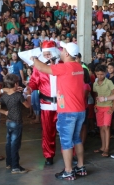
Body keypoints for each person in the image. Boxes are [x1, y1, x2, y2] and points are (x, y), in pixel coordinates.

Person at [31, 42, 86, 180]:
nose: (60, 51)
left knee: (66, 142)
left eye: (62, 50)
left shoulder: (64, 67)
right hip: (80, 110)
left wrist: (34, 59)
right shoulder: (78, 66)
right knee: (76, 139)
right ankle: (80, 166)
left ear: (67, 54)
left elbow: (41, 67)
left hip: (67, 111)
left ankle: (68, 171)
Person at [24, 41, 59, 165]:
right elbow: (34, 81)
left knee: (68, 130)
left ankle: (73, 154)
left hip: (63, 104)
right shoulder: (39, 67)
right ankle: (49, 156)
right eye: (45, 54)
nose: (47, 56)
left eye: (49, 53)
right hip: (46, 104)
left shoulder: (63, 64)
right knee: (47, 131)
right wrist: (29, 88)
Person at [0, 74, 31, 174]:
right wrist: (29, 94)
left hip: (9, 121)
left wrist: (4, 112)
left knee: (9, 143)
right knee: (15, 145)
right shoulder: (18, 95)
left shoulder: (5, 96)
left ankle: (9, 163)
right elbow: (27, 105)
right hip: (17, 122)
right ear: (16, 84)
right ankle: (15, 166)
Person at [93, 64, 114, 157]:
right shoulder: (95, 83)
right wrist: (95, 104)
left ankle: (107, 148)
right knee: (101, 128)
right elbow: (95, 95)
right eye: (97, 74)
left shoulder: (109, 82)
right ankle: (102, 147)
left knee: (106, 127)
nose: (99, 76)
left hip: (108, 107)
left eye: (101, 74)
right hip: (99, 107)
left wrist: (113, 107)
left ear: (105, 73)